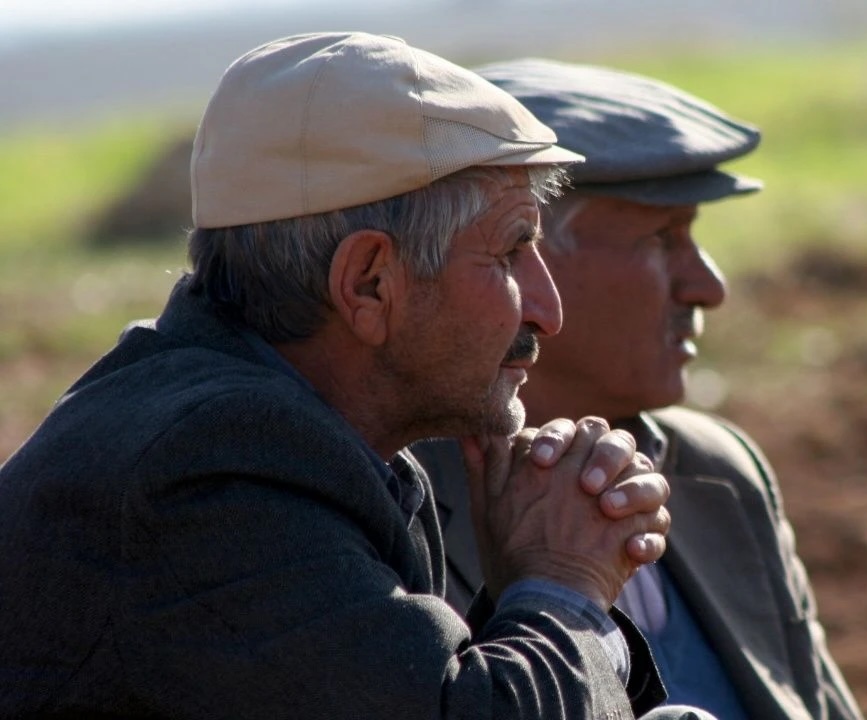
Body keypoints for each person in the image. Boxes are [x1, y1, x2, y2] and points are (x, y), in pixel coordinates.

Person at [0, 33, 714, 720]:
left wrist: (524, 592)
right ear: (369, 283)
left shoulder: (288, 432)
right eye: (510, 252)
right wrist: (565, 584)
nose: (547, 310)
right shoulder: (212, 472)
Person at [410, 59, 864, 720]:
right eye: (663, 238)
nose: (707, 286)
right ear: (522, 257)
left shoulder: (720, 473)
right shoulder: (394, 507)